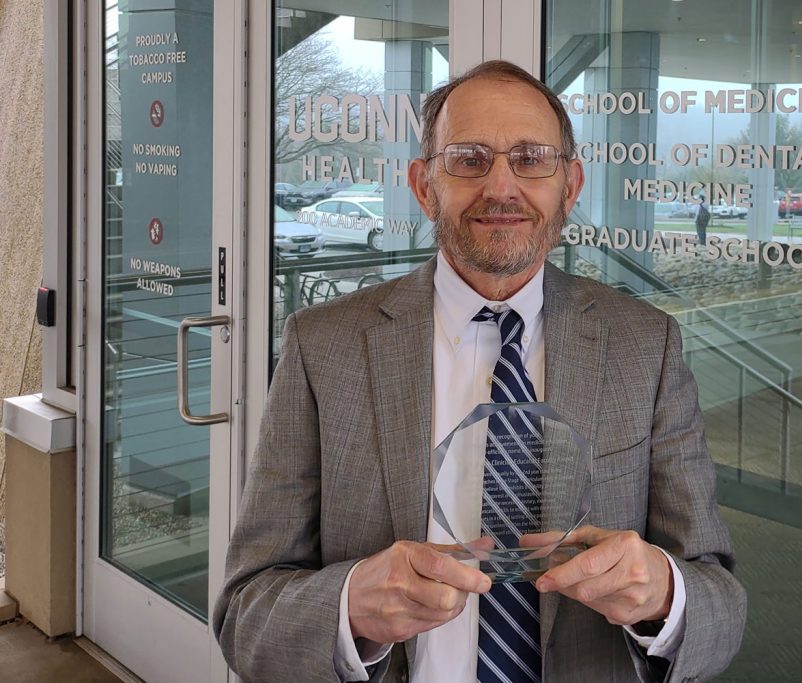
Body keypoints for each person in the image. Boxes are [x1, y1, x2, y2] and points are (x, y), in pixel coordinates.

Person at [214, 60, 745, 683]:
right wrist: (348, 607)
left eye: (530, 158)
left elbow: (721, 606)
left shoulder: (645, 344)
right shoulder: (324, 346)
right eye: (468, 159)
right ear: (423, 185)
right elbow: (245, 615)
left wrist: (662, 597)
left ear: (569, 186)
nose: (500, 187)